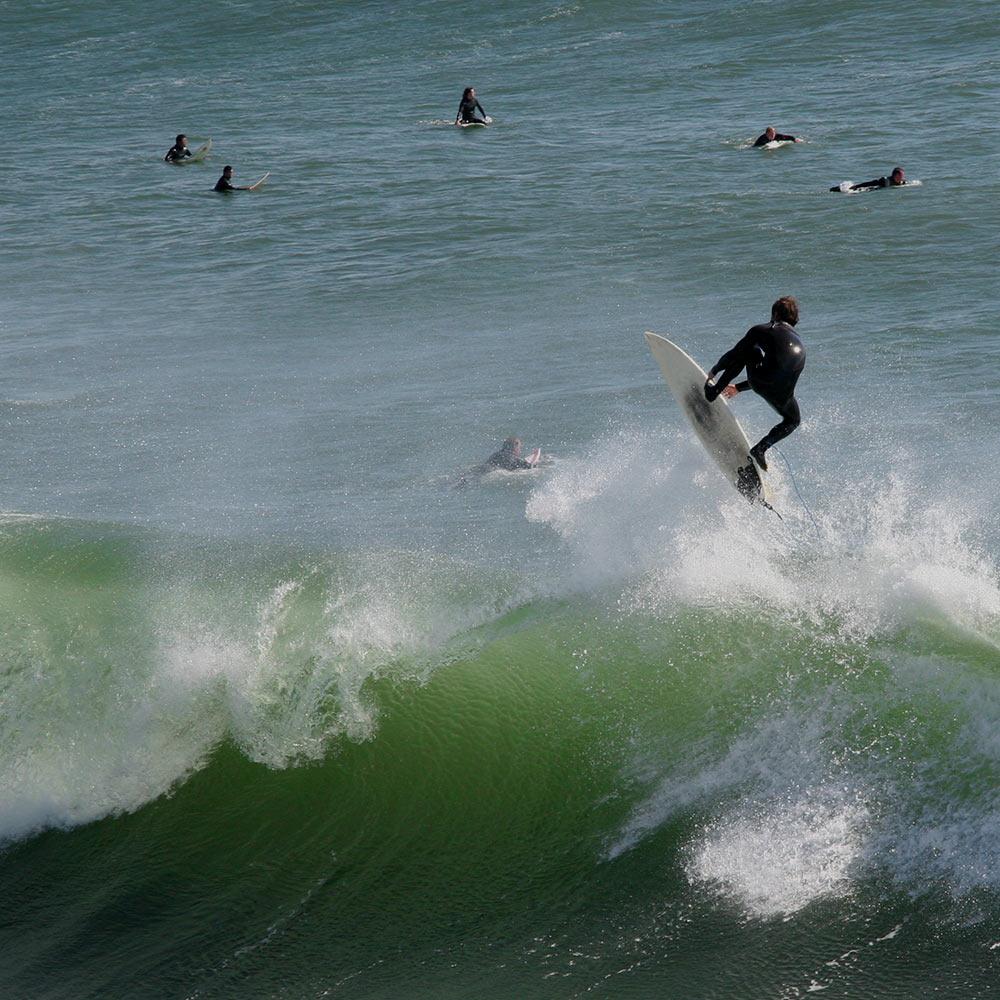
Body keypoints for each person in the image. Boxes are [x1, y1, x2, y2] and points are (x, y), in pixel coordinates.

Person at [704, 296, 805, 471]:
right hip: (783, 395)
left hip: (760, 381)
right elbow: (775, 377)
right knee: (793, 420)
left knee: (752, 352)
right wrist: (738, 388)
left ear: (774, 314)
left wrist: (715, 369)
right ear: (795, 320)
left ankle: (713, 392)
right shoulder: (799, 343)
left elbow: (735, 354)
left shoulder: (764, 330)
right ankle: (761, 448)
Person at [832, 166, 905, 192]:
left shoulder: (901, 181)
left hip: (867, 190)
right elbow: (870, 183)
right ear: (896, 175)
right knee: (839, 190)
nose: (903, 177)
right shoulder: (886, 181)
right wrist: (857, 187)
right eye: (901, 175)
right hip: (861, 189)